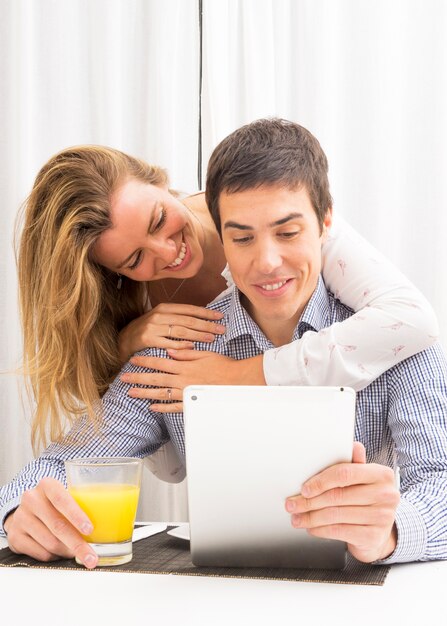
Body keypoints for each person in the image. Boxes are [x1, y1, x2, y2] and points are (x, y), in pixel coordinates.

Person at [2, 118, 446, 569]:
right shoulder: (174, 351)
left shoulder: (389, 338)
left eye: (288, 232)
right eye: (242, 237)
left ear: (325, 221)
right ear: (221, 232)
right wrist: (21, 511)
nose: (268, 262)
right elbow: (67, 462)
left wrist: (390, 531)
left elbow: (439, 481)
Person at [16, 144, 438, 456]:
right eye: (134, 258)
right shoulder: (138, 314)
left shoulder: (269, 213)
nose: (167, 252)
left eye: (160, 219)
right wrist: (123, 344)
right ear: (114, 273)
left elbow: (411, 319)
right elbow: (102, 441)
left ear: (162, 181)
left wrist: (239, 375)